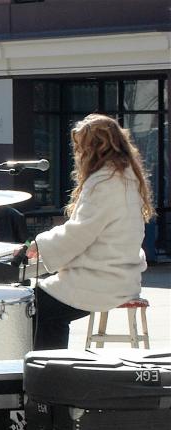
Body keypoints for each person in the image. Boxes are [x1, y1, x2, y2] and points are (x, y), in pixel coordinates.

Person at [25, 113, 153, 350]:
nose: (78, 154)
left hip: (102, 280)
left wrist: (39, 245)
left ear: (94, 148)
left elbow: (79, 233)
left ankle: (50, 371)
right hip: (119, 276)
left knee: (35, 305)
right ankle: (52, 369)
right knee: (44, 303)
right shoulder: (126, 177)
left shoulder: (105, 183)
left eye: (80, 147)